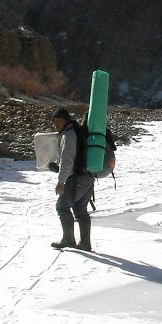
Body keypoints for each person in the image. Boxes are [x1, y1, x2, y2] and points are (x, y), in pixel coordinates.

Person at [49, 107, 95, 251]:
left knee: (62, 206)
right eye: (54, 121)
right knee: (80, 208)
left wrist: (61, 182)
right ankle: (85, 243)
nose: (56, 124)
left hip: (77, 179)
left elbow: (68, 161)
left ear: (66, 120)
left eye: (59, 121)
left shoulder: (68, 135)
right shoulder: (77, 132)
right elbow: (76, 158)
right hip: (88, 176)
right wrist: (58, 168)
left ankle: (68, 239)